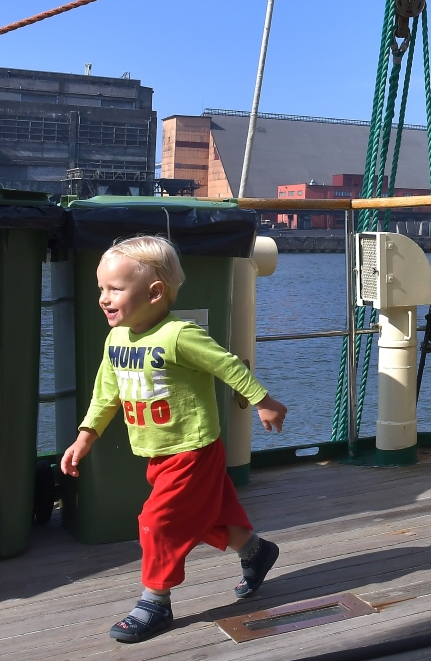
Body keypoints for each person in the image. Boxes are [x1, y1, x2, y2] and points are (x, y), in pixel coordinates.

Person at [61, 236, 289, 644]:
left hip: (192, 449)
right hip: (158, 451)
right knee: (207, 515)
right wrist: (85, 436)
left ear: (154, 293)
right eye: (101, 288)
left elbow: (227, 365)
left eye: (115, 289)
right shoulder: (117, 340)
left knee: (157, 522)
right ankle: (256, 551)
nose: (104, 298)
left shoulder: (179, 335)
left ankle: (155, 602)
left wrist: (262, 400)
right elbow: (106, 394)